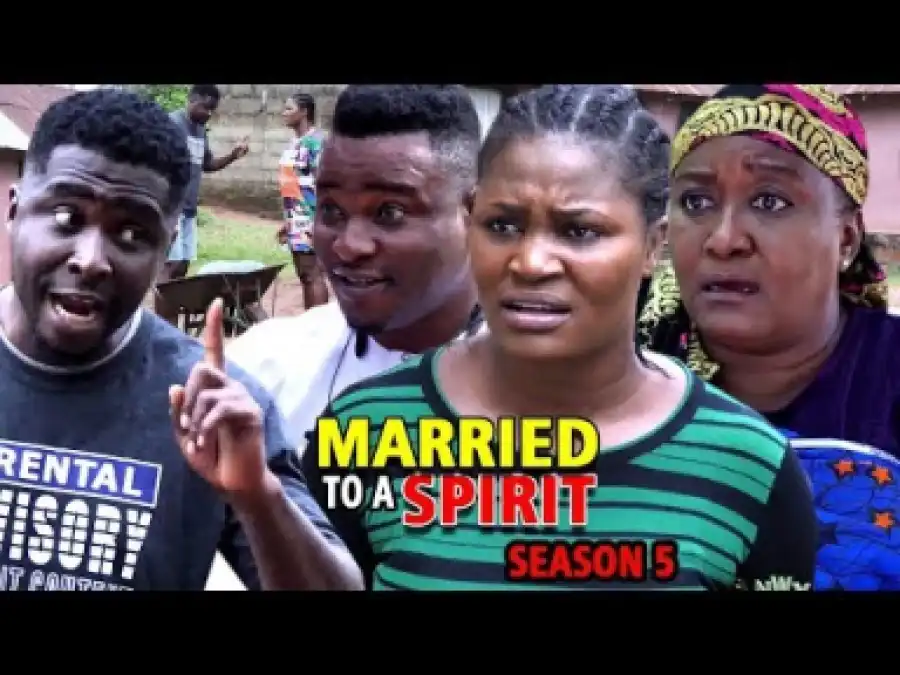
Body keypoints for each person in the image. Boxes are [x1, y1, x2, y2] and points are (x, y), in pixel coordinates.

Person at [300, 84, 817, 591]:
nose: (530, 263)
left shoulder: (747, 464)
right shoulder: (363, 432)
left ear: (653, 245)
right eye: (503, 225)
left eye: (579, 231)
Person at [0, 88, 362, 591]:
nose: (91, 260)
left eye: (131, 235)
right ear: (15, 210)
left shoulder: (210, 407)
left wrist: (258, 497)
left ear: (166, 249)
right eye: (66, 218)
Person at [639, 84, 900, 590]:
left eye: (770, 201)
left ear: (846, 238)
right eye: (696, 201)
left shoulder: (887, 376)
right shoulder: (624, 373)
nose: (724, 239)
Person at [227, 85, 484, 450]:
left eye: (390, 212)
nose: (348, 245)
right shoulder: (260, 375)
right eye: (331, 210)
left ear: (476, 213)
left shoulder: (550, 392)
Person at [162, 84, 249, 282]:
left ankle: (174, 302)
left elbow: (207, 164)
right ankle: (161, 303)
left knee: (183, 265)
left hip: (189, 209)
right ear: (191, 100)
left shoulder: (201, 130)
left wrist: (233, 156)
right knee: (170, 265)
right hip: (171, 206)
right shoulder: (172, 124)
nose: (209, 113)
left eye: (212, 110)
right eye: (205, 107)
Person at [276, 91, 329, 309]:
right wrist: (287, 221)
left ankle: (318, 324)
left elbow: (324, 184)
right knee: (304, 274)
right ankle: (310, 322)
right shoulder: (294, 143)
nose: (284, 113)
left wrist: (319, 222)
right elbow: (293, 183)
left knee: (312, 274)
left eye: (289, 108)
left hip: (310, 218)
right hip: (295, 218)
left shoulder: (315, 143)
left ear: (304, 112)